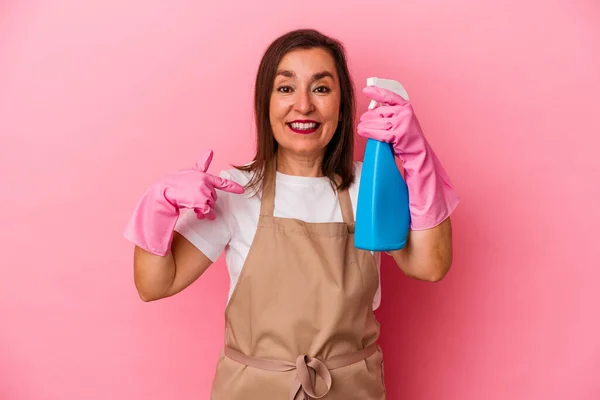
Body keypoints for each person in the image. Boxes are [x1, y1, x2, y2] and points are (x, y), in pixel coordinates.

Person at [123, 28, 459, 399]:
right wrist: (158, 208)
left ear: (342, 104)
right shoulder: (236, 191)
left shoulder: (370, 184)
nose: (303, 105)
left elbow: (429, 265)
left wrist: (417, 161)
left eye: (321, 88)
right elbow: (154, 285)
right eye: (285, 88)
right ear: (265, 103)